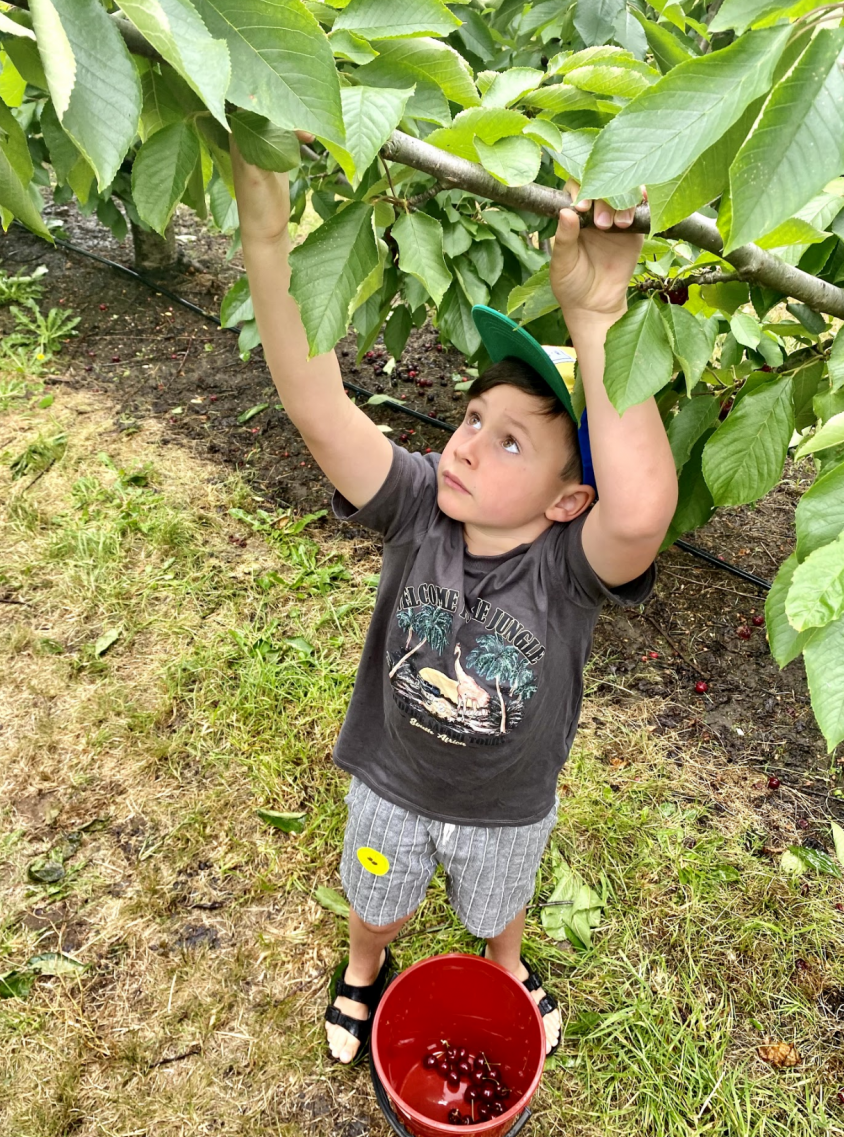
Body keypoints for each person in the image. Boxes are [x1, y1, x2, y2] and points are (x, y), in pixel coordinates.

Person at [232, 140, 678, 1066]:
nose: (470, 443)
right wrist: (268, 231)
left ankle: (503, 962)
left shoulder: (567, 565)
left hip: (507, 803)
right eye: (475, 418)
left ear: (567, 500)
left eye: (512, 443)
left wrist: (597, 315)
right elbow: (320, 409)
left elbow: (639, 515)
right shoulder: (417, 507)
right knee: (375, 890)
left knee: (499, 898)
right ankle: (364, 967)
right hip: (392, 782)